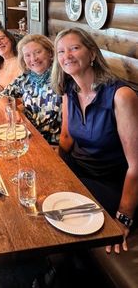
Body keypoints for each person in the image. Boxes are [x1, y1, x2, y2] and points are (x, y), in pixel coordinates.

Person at [52, 27, 138, 253]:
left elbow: (136, 166)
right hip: (79, 170)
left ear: (92, 54)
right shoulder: (69, 88)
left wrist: (123, 218)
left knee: (58, 214)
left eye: (74, 48)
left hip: (111, 183)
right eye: (61, 51)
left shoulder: (121, 96)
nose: (66, 56)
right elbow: (67, 137)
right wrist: (54, 167)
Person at [2, 34, 62, 145]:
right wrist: (10, 110)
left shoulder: (61, 77)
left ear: (50, 53)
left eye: (38, 52)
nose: (33, 58)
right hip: (29, 139)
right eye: (27, 55)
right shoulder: (25, 78)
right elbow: (3, 95)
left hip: (55, 146)